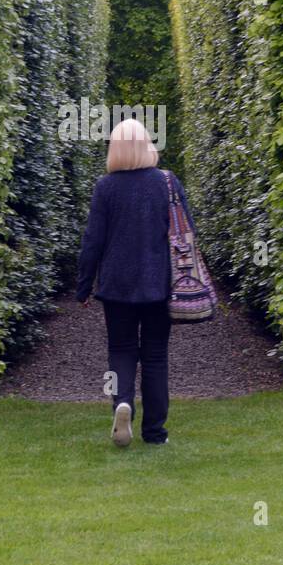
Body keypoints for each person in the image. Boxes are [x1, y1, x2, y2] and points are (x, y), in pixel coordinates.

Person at [76, 117, 195, 448]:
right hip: (160, 285)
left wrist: (84, 286)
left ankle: (122, 404)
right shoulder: (167, 183)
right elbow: (187, 233)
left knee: (120, 351)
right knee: (156, 356)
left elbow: (93, 241)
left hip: (116, 287)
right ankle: (155, 432)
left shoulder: (106, 187)